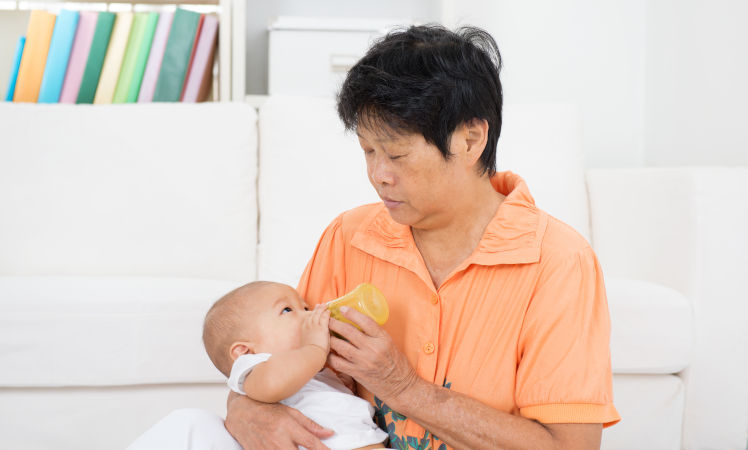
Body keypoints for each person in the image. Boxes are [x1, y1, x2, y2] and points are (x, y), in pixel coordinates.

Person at [130, 23, 621, 450]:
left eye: (398, 155)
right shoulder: (350, 236)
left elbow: (569, 446)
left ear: (471, 139)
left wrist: (402, 386)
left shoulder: (557, 263)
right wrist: (245, 409)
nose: (378, 175)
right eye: (367, 151)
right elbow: (281, 361)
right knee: (189, 428)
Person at [129, 281, 388, 450]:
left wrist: (339, 380)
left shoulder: (312, 366)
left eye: (305, 306)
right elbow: (273, 384)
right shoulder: (256, 366)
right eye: (287, 310)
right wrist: (315, 349)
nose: (308, 314)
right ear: (244, 351)